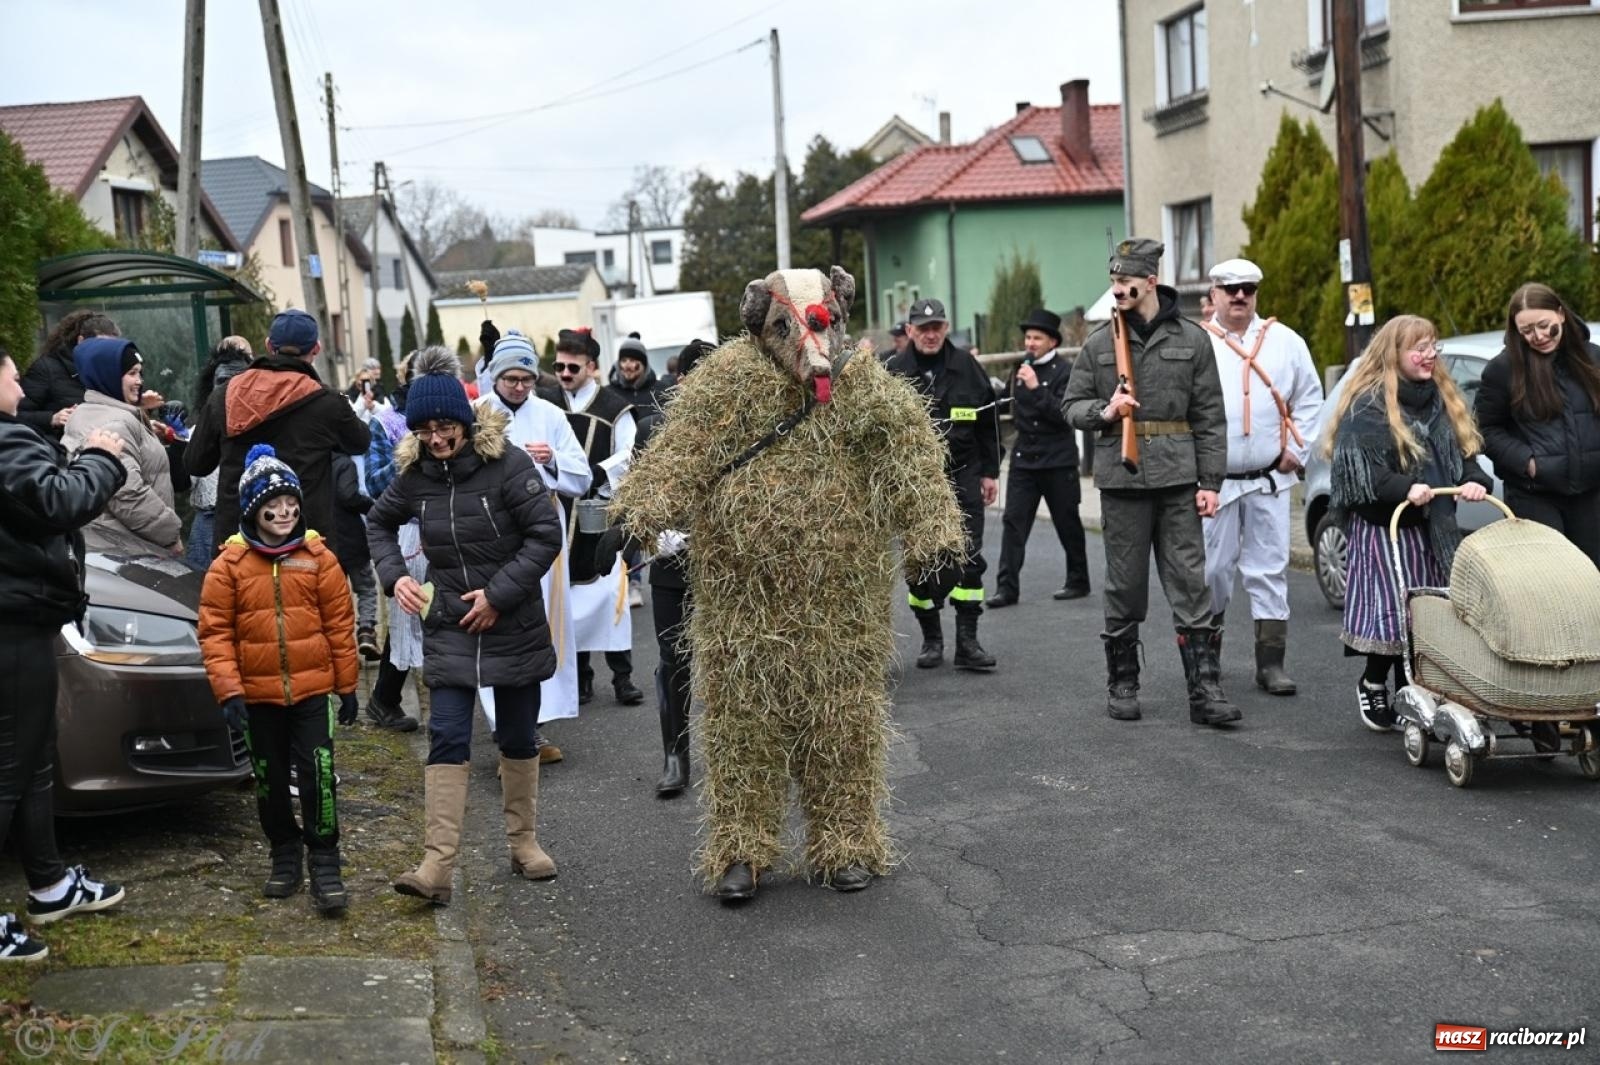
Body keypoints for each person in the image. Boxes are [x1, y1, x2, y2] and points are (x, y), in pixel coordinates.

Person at [615, 266, 964, 900]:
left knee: (841, 726)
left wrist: (932, 529)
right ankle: (742, 851)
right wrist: (646, 507)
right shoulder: (725, 384)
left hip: (842, 606)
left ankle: (844, 845)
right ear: (760, 329)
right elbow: (679, 453)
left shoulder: (863, 387)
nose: (807, 338)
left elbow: (911, 456)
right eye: (786, 326)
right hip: (742, 607)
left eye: (819, 322)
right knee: (743, 729)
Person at [367, 367, 564, 904]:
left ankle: (523, 843)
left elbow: (547, 535)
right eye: (424, 430)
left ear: (463, 421)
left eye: (444, 427)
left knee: (518, 738)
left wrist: (498, 595)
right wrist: (397, 577)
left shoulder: (509, 466)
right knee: (447, 736)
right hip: (450, 621)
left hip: (512, 622)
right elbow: (378, 524)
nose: (436, 439)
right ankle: (436, 866)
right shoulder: (414, 477)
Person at [1062, 238, 1236, 726]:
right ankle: (1122, 682)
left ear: (1150, 281)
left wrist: (1211, 481)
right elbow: (1071, 406)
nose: (1117, 289)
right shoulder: (1099, 344)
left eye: (1125, 282)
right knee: (1125, 585)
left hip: (1180, 482)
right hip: (1123, 480)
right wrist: (1106, 411)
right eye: (1114, 281)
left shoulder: (1192, 339)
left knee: (1191, 584)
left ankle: (1205, 690)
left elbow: (1210, 416)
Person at [0, 347, 129, 962]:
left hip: (20, 623)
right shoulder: (3, 443)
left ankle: (50, 884)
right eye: (9, 370)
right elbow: (60, 502)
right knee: (9, 770)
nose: (20, 383)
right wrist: (102, 456)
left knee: (30, 762)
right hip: (12, 629)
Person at [197, 445, 359, 914]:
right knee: (268, 781)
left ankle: (324, 858)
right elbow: (215, 632)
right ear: (253, 510)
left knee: (318, 777)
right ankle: (284, 852)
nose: (284, 513)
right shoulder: (229, 566)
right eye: (273, 507)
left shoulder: (317, 558)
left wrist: (346, 685)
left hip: (311, 692)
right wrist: (228, 689)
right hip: (258, 696)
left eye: (291, 505)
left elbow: (338, 625)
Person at [1324, 315, 1489, 732]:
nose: (1429, 355)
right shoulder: (1368, 403)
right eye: (1419, 347)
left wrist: (1473, 481)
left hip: (1433, 525)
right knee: (1391, 609)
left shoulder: (1442, 399)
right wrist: (1406, 487)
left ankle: (1412, 688)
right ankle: (1373, 681)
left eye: (1433, 346)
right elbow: (1362, 475)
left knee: (1427, 610)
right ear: (1394, 353)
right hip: (1385, 526)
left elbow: (1467, 456)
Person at [1198, 259, 1323, 695]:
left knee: (1269, 569)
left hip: (1270, 479)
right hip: (1215, 482)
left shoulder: (1285, 341)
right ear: (1213, 293)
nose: (1239, 296)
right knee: (1212, 570)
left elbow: (1310, 397)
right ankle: (1205, 659)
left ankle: (1271, 664)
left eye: (1247, 288)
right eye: (1229, 288)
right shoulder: (1199, 344)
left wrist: (1298, 448)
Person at [478, 331, 592, 762]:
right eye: (511, 378)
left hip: (540, 529)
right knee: (498, 620)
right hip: (490, 531)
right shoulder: (476, 415)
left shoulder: (551, 414)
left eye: (526, 378)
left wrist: (553, 461)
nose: (519, 387)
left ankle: (534, 723)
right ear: (495, 377)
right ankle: (501, 721)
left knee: (540, 622)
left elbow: (581, 477)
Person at [185, 309, 370, 559]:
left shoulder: (224, 396)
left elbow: (195, 462)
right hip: (305, 546)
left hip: (238, 547)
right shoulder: (328, 403)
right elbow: (360, 442)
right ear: (316, 349)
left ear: (269, 345)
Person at [885, 298, 1000, 671]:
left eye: (937, 327)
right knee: (921, 561)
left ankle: (968, 642)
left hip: (964, 473)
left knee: (968, 557)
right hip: (914, 481)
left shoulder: (967, 366)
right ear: (910, 331)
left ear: (946, 328)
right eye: (923, 328)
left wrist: (990, 472)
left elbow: (988, 422)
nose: (931, 334)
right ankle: (931, 639)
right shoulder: (892, 372)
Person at [1475, 282, 1600, 567]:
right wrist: (1528, 462)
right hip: (1535, 496)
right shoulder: (1503, 369)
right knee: (1551, 582)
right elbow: (1486, 430)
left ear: (1561, 314)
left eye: (1544, 325)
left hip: (1592, 494)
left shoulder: (1593, 359)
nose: (1539, 336)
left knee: (1593, 581)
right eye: (1527, 331)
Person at [554, 328, 642, 705]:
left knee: (609, 598)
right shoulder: (548, 404)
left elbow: (630, 452)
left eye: (572, 367)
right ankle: (583, 678)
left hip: (598, 513)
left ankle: (622, 678)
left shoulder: (614, 407)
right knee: (568, 603)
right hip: (558, 514)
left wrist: (603, 476)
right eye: (558, 366)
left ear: (591, 367)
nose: (564, 374)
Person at [639, 338, 712, 796]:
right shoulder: (653, 428)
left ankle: (734, 756)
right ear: (681, 380)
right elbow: (638, 496)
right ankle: (675, 754)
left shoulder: (742, 428)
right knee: (673, 659)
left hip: (727, 566)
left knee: (733, 661)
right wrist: (652, 533)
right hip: (671, 563)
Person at [987, 308, 1091, 608]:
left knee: (1067, 522)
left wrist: (1036, 387)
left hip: (1057, 460)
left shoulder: (1065, 372)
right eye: (1028, 338)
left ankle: (1078, 579)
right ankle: (1006, 588)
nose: (1030, 343)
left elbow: (1064, 415)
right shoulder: (1021, 368)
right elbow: (1009, 408)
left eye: (1037, 338)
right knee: (1013, 523)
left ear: (1052, 342)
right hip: (1025, 460)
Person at [62, 337, 184, 558]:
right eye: (131, 373)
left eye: (140, 372)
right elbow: (128, 494)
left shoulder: (95, 412)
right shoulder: (114, 424)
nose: (139, 381)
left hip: (116, 545)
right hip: (132, 549)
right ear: (107, 376)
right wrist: (170, 533)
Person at [186, 338, 254, 568]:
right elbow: (191, 470)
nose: (230, 390)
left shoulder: (265, 423)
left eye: (238, 381)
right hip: (210, 521)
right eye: (223, 382)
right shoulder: (202, 425)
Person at [16, 310, 120, 437]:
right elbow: (15, 414)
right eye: (101, 346)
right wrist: (52, 418)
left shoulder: (111, 372)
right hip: (59, 450)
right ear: (81, 341)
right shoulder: (46, 368)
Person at [331, 452, 379, 659]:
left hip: (326, 542)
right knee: (366, 588)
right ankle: (367, 631)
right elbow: (348, 495)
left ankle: (339, 640)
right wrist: (373, 506)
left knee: (335, 595)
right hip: (351, 539)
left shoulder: (312, 463)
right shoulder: (344, 463)